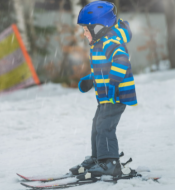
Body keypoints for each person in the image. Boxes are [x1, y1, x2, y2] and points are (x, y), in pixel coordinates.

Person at [69, 1, 137, 177]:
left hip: (116, 95)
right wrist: (91, 80)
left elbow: (122, 61)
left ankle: (110, 163)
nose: (84, 34)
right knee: (97, 125)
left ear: (99, 28)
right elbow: (102, 69)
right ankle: (99, 158)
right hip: (106, 96)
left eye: (86, 30)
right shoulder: (98, 44)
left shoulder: (111, 42)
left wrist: (112, 84)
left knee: (105, 126)